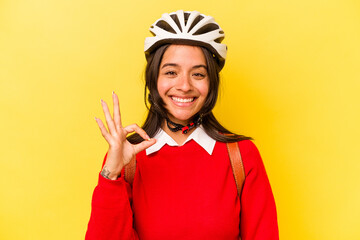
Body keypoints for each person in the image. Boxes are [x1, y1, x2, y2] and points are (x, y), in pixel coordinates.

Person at [86, 10, 279, 240]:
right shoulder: (129, 159)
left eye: (198, 74)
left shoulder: (242, 156)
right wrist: (111, 174)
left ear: (212, 83)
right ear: (154, 80)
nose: (184, 85)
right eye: (171, 72)